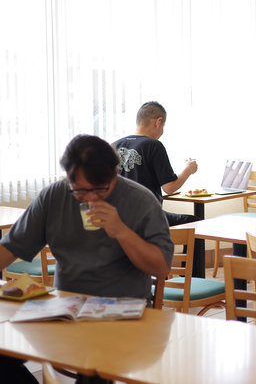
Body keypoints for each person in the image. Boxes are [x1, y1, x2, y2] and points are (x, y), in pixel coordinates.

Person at [0, 134, 173, 383]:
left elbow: (161, 266)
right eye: (80, 191)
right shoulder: (54, 197)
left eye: (100, 189)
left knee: (95, 368)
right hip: (63, 307)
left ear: (115, 173)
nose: (90, 198)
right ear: (68, 178)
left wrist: (121, 231)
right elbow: (11, 246)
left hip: (122, 309)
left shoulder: (141, 201)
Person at [113, 101, 199, 226]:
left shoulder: (114, 145)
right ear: (158, 122)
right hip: (146, 215)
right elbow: (169, 188)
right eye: (163, 126)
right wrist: (188, 169)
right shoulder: (153, 145)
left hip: (118, 215)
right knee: (195, 222)